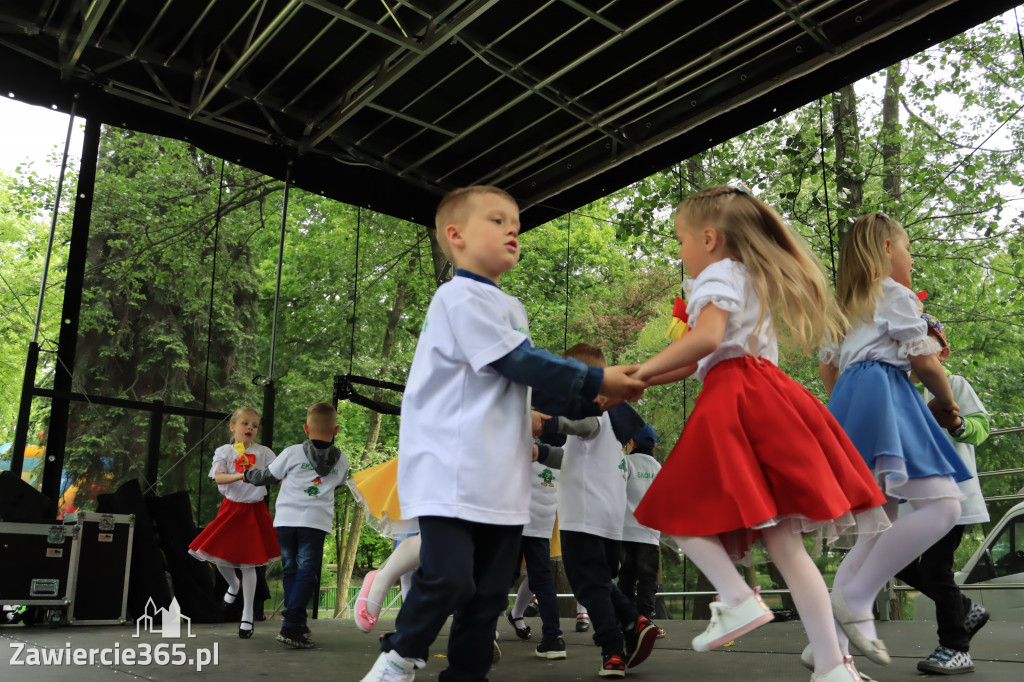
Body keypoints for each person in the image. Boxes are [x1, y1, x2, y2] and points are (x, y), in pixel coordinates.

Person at [360, 185, 645, 682]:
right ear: (456, 236)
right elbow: (517, 361)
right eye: (496, 220)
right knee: (448, 576)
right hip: (451, 470)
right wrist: (598, 379)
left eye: (515, 220)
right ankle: (400, 657)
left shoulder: (509, 308)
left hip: (501, 479)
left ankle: (467, 676)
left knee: (488, 594)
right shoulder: (456, 297)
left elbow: (526, 384)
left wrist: (598, 399)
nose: (512, 227)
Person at [632, 185, 890, 682]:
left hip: (733, 398)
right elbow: (693, 363)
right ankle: (834, 665)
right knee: (785, 546)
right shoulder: (747, 276)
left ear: (709, 238)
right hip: (766, 395)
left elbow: (706, 341)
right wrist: (636, 377)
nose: (680, 252)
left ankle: (735, 597)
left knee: (672, 509)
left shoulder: (716, 274)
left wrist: (638, 374)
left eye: (680, 241)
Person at [818, 212, 972, 673]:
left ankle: (824, 641)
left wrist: (851, 404)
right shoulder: (896, 294)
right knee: (946, 506)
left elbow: (829, 367)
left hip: (850, 399)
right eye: (906, 248)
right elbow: (924, 362)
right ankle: (859, 596)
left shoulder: (843, 306)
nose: (909, 258)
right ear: (887, 248)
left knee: (875, 526)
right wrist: (946, 403)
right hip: (886, 389)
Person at [539, 342, 660, 679]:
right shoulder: (612, 423)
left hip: (584, 516)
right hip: (607, 519)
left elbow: (581, 426)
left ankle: (612, 651)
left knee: (588, 585)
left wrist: (545, 421)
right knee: (598, 581)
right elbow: (575, 457)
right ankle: (634, 621)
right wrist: (541, 452)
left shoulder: (593, 409)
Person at [894, 313, 991, 674]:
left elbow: (982, 429)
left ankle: (955, 646)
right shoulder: (899, 393)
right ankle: (965, 609)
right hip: (912, 502)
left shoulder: (956, 384)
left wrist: (957, 423)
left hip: (952, 498)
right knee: (897, 563)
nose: (915, 350)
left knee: (937, 572)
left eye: (926, 344)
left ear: (944, 352)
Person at [242, 402, 349, 649]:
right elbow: (339, 483)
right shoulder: (341, 460)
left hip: (287, 522)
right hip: (316, 523)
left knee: (292, 572)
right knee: (307, 574)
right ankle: (292, 624)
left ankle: (295, 623)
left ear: (305, 428)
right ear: (336, 430)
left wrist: (247, 473)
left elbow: (266, 477)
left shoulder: (292, 452)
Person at [188, 407, 279, 639]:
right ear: (233, 427)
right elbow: (218, 477)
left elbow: (277, 473)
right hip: (231, 508)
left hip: (254, 510)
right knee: (219, 554)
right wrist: (242, 475)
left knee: (250, 563)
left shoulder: (264, 453)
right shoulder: (225, 451)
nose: (250, 428)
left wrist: (260, 474)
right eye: (245, 423)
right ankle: (233, 585)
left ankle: (247, 615)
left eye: (254, 425)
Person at [505, 436, 566, 660]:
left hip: (514, 524)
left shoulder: (524, 450)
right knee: (543, 581)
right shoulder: (564, 460)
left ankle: (485, 631)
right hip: (541, 527)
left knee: (501, 577)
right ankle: (554, 638)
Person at [619, 425, 662, 625]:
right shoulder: (660, 468)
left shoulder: (625, 462)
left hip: (625, 533)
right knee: (648, 579)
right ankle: (645, 620)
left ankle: (628, 620)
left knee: (626, 579)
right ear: (654, 447)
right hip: (650, 535)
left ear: (632, 443)